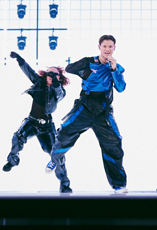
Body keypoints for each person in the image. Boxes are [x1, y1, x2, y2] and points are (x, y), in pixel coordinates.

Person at [47, 35, 128, 194]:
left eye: (110, 47)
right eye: (104, 46)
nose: (107, 49)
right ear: (99, 47)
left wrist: (114, 70)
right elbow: (70, 69)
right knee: (64, 133)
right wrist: (86, 70)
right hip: (84, 106)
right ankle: (54, 159)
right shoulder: (89, 61)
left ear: (114, 48)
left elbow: (121, 88)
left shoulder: (116, 67)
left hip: (103, 110)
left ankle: (119, 185)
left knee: (114, 144)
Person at [3, 51, 68, 172]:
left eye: (55, 74)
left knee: (55, 153)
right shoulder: (39, 83)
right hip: (32, 122)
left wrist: (55, 83)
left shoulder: (59, 90)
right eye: (50, 73)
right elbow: (29, 71)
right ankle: (12, 161)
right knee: (18, 137)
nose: (52, 75)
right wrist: (19, 58)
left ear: (59, 77)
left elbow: (59, 95)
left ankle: (64, 183)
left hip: (47, 126)